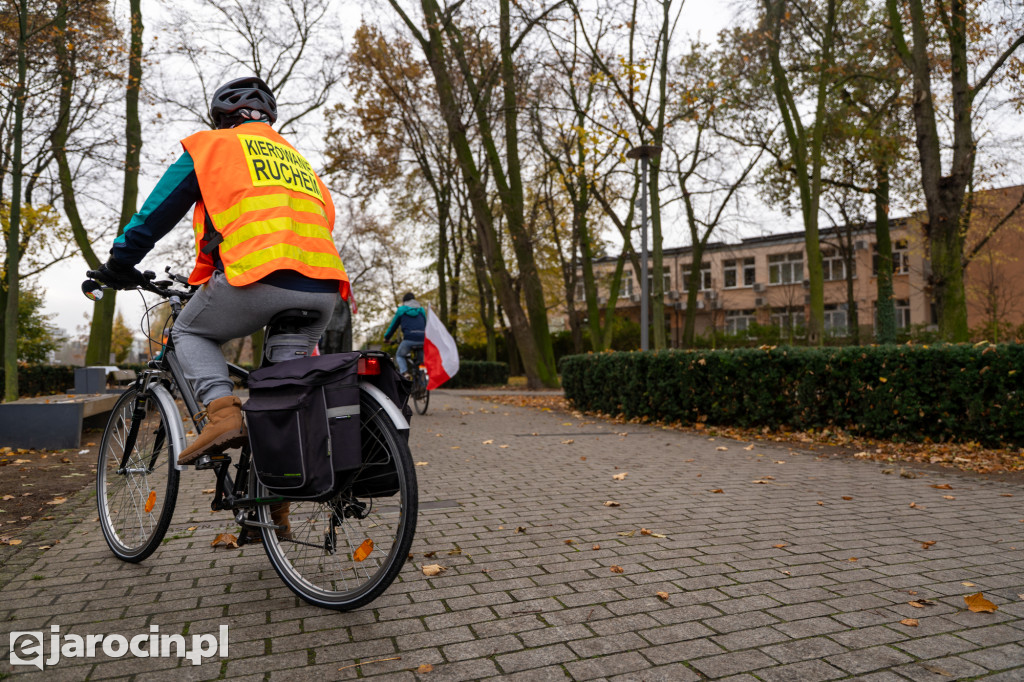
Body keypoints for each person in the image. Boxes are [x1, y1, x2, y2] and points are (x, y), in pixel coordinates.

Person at [90, 76, 350, 487]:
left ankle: (222, 413)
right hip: (323, 288)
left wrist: (119, 263)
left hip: (258, 277)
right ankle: (272, 502)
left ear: (222, 117)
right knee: (280, 398)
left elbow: (155, 214)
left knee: (188, 330)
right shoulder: (302, 166)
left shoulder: (213, 146)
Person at [384, 293, 426, 379]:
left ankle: (405, 373)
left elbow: (393, 326)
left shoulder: (402, 310)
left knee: (400, 355)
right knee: (421, 361)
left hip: (409, 339)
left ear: (404, 301)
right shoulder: (421, 310)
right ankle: (423, 375)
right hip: (423, 339)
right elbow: (426, 324)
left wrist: (387, 337)